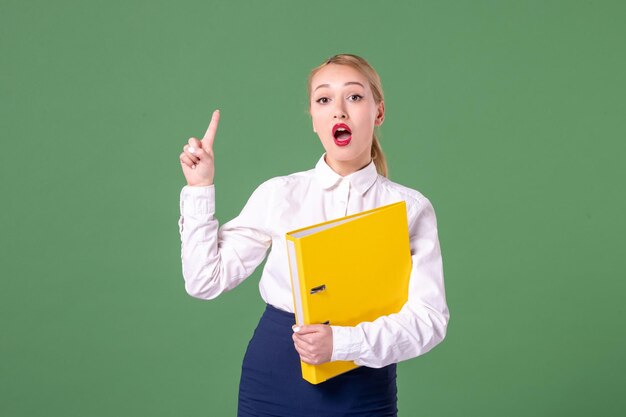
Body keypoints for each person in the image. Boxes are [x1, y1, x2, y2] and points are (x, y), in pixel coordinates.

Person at [178, 54, 449, 417]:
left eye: (354, 97)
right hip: (274, 374)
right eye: (324, 99)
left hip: (363, 383)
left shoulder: (409, 208)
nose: (339, 110)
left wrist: (342, 343)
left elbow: (429, 320)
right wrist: (199, 189)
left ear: (378, 112)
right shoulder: (279, 194)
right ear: (313, 119)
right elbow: (204, 280)